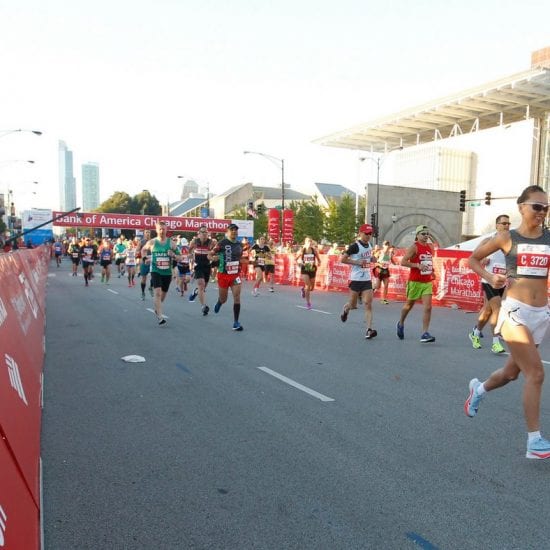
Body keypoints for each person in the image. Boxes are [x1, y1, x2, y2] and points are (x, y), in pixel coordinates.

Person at [464, 185, 550, 459]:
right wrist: (491, 278)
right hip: (515, 312)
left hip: (541, 314)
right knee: (536, 374)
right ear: (522, 207)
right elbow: (473, 260)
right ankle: (534, 441)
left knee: (512, 374)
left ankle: (478, 389)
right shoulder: (506, 237)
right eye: (537, 206)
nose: (542, 211)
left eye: (546, 207)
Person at [468, 214, 510, 354]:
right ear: (497, 225)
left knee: (487, 311)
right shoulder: (488, 241)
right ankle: (495, 343)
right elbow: (473, 257)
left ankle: (475, 332)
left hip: (503, 281)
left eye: (508, 223)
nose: (506, 226)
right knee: (497, 309)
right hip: (489, 280)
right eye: (503, 223)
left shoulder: (510, 242)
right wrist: (483, 259)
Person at [396, 225, 437, 342]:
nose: (426, 236)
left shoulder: (430, 247)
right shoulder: (414, 247)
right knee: (409, 305)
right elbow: (403, 262)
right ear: (417, 235)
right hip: (415, 281)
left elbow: (428, 262)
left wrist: (432, 271)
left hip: (426, 281)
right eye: (423, 234)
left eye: (427, 234)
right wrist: (417, 265)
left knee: (428, 307)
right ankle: (401, 322)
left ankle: (425, 333)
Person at [340, 224, 378, 339]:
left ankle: (369, 330)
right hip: (355, 279)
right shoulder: (354, 246)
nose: (368, 236)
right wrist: (357, 262)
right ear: (360, 233)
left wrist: (372, 259)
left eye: (370, 234)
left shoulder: (370, 245)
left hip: (366, 278)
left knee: (368, 304)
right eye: (366, 234)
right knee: (353, 305)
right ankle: (346, 310)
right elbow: (343, 259)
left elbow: (367, 258)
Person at [141, 222, 180, 325]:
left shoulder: (171, 243)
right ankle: (160, 316)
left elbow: (180, 257)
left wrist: (173, 255)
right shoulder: (152, 242)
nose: (162, 231)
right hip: (156, 270)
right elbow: (143, 250)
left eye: (163, 229)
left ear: (166, 230)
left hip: (167, 272)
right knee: (157, 293)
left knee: (163, 295)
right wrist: (144, 258)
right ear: (156, 230)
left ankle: (157, 308)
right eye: (160, 229)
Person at [209, 223, 244, 331]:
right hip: (223, 274)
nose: (234, 231)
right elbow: (210, 254)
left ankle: (236, 322)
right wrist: (213, 258)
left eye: (235, 230)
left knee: (237, 297)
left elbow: (241, 258)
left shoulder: (240, 245)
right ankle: (220, 302)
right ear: (227, 232)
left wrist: (249, 262)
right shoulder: (222, 243)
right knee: (224, 299)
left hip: (235, 274)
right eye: (232, 230)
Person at [188, 225, 214, 315]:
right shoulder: (194, 242)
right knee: (201, 284)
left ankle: (195, 291)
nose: (204, 234)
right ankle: (203, 306)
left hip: (207, 266)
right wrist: (190, 255)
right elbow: (189, 251)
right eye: (202, 232)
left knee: (203, 287)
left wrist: (214, 256)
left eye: (206, 232)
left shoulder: (212, 242)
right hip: (198, 266)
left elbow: (217, 252)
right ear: (198, 233)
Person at [296, 236, 321, 310]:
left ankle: (303, 289)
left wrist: (319, 263)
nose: (310, 243)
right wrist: (299, 263)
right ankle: (308, 303)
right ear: (305, 242)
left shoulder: (314, 250)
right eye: (308, 242)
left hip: (312, 269)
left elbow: (319, 259)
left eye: (311, 242)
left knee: (312, 288)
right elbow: (296, 259)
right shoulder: (302, 250)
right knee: (308, 286)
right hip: (305, 269)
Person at [136, 229, 153, 300]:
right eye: (146, 232)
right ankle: (143, 292)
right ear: (144, 233)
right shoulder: (141, 242)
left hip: (152, 260)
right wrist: (139, 254)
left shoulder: (153, 241)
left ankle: (151, 287)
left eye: (149, 232)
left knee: (154, 275)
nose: (147, 233)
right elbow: (137, 250)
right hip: (144, 261)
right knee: (144, 278)